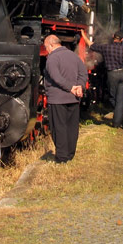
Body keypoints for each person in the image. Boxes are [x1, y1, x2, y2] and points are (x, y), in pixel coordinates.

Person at [42, 34, 88, 163]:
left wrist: (71, 87)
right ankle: (70, 154)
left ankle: (62, 157)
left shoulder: (52, 58)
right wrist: (80, 86)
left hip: (57, 98)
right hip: (73, 98)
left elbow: (56, 77)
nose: (46, 50)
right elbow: (83, 73)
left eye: (46, 47)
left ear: (52, 45)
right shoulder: (74, 56)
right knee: (72, 127)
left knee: (59, 127)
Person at [81, 29, 123, 128]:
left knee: (113, 98)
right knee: (120, 99)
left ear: (113, 37)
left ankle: (120, 120)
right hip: (122, 73)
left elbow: (91, 45)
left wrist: (83, 35)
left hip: (111, 74)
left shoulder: (106, 48)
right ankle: (122, 119)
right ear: (122, 39)